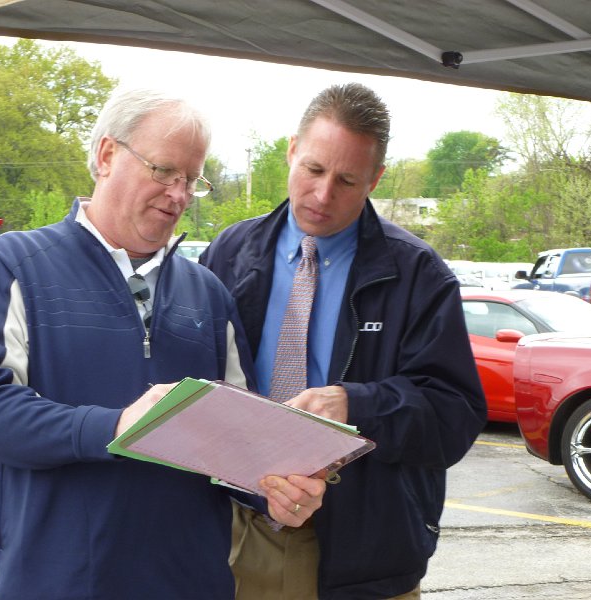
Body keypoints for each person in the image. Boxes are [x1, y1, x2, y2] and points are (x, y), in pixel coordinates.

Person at [0, 88, 326, 600]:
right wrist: (117, 427)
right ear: (107, 156)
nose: (178, 194)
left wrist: (276, 491)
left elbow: (242, 439)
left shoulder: (209, 293)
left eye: (192, 180)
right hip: (56, 584)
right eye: (164, 171)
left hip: (193, 584)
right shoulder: (15, 265)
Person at [200, 82, 488, 599]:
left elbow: (454, 415)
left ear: (375, 179)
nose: (322, 195)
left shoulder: (419, 274)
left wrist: (354, 403)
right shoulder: (228, 252)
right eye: (312, 169)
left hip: (364, 553)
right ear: (291, 150)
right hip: (242, 532)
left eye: (347, 180)